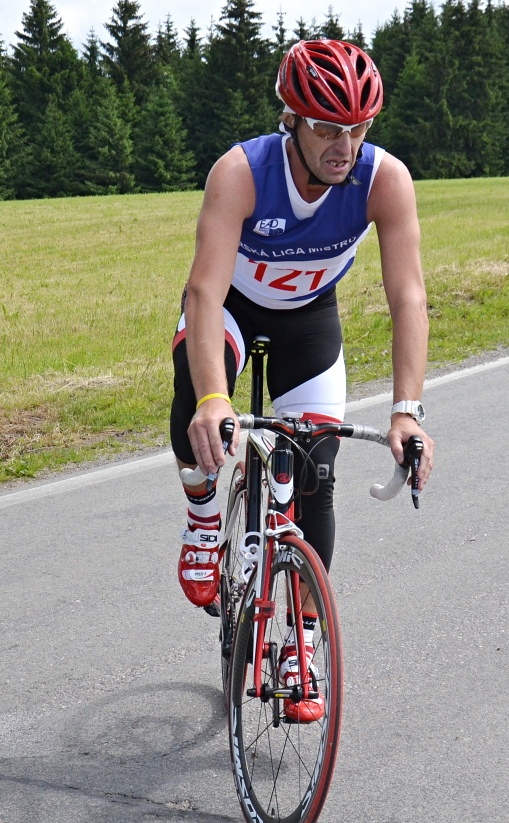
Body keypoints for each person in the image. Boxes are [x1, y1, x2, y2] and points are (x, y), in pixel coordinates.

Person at [170, 39, 434, 719]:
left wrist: (407, 410)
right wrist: (213, 399)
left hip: (309, 320)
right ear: (291, 119)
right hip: (230, 310)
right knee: (196, 408)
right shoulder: (242, 172)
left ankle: (301, 642)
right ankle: (203, 515)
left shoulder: (384, 180)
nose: (344, 146)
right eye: (326, 127)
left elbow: (408, 296)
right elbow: (203, 292)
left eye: (358, 128)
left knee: (316, 473)